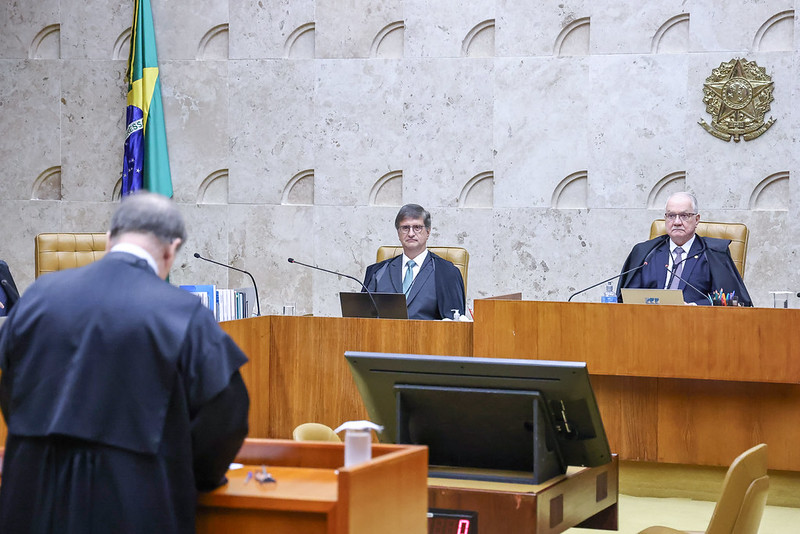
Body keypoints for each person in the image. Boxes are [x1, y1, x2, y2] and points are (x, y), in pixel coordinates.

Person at [0, 192, 250, 533]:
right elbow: (226, 415)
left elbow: (10, 384)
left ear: (109, 239)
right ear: (171, 249)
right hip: (133, 500)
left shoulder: (37, 297)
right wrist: (196, 474)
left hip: (31, 497)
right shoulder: (183, 313)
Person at [617, 192, 752, 306]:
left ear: (697, 219)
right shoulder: (646, 253)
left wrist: (694, 307)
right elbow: (627, 298)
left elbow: (728, 301)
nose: (676, 222)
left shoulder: (714, 254)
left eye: (684, 216)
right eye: (671, 215)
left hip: (697, 328)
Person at [363, 204, 465, 320]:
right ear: (398, 233)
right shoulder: (378, 272)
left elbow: (455, 326)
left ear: (428, 232)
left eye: (417, 227)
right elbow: (363, 321)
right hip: (384, 336)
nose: (411, 233)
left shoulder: (447, 272)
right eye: (405, 228)